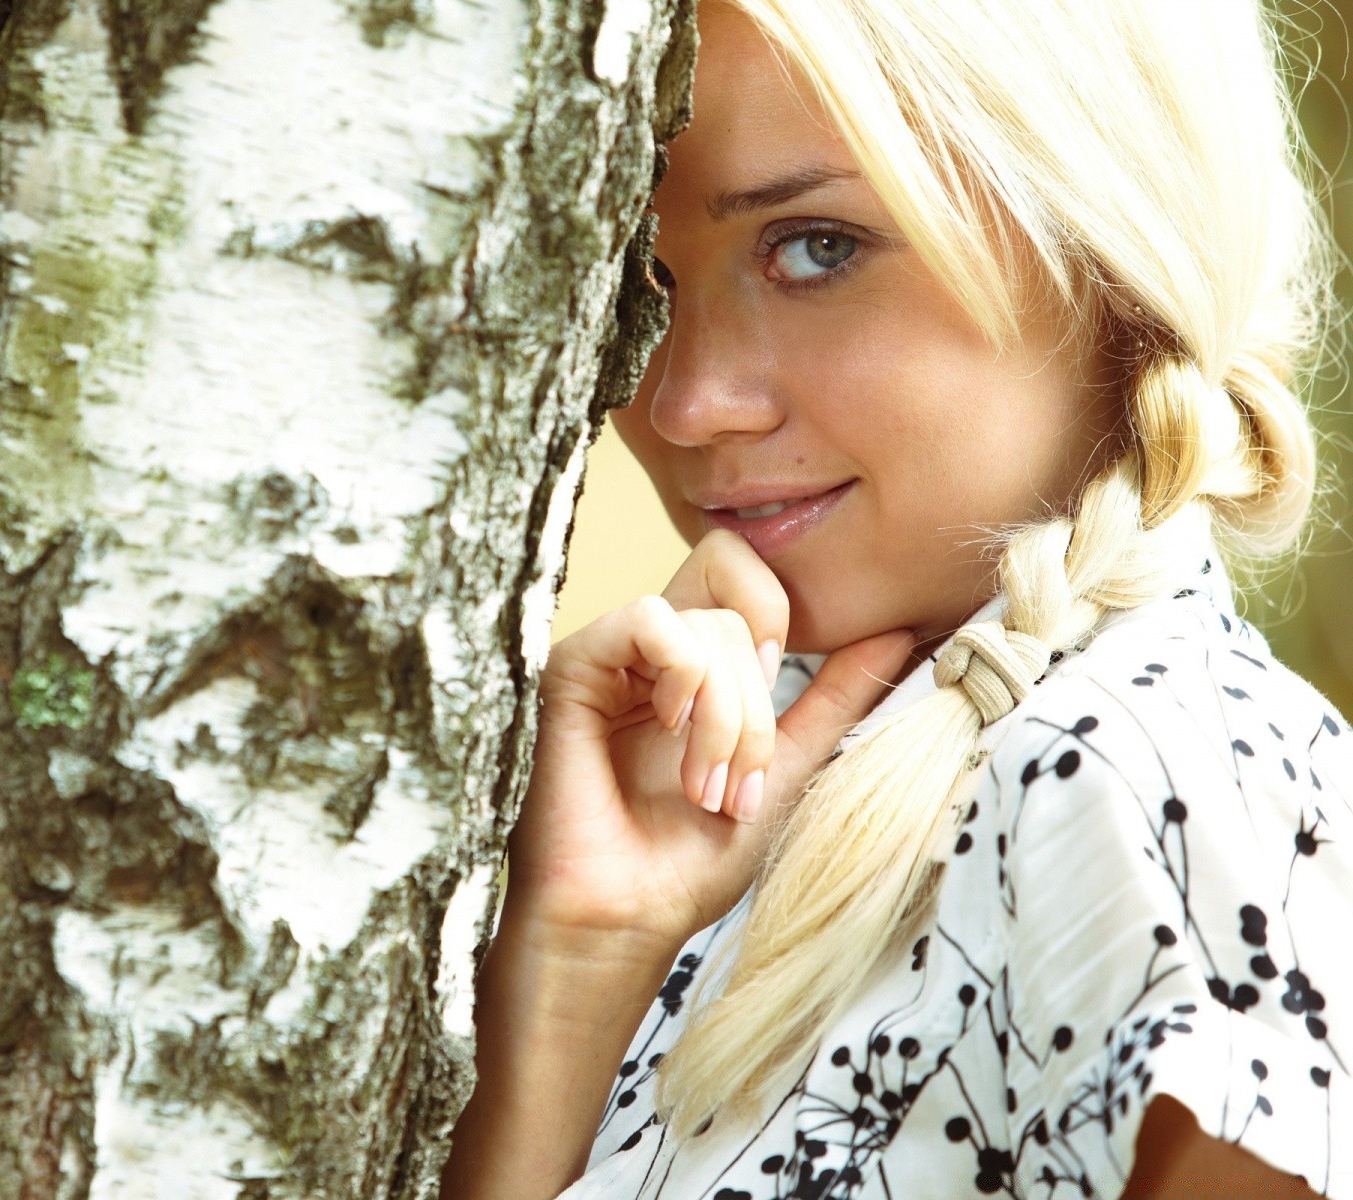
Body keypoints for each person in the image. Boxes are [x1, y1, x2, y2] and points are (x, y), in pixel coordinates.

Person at [438, 0, 1352, 1196]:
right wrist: (578, 966)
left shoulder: (1155, 782)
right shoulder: (729, 794)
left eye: (814, 247)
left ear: (1104, 240)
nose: (685, 403)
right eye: (640, 284)